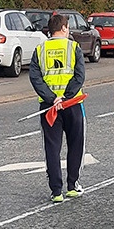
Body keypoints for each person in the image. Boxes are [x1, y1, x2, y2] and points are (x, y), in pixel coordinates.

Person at [28, 12, 86, 202]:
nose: (68, 30)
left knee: (52, 147)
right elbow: (79, 76)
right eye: (67, 27)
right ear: (63, 28)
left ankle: (56, 191)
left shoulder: (40, 50)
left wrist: (52, 98)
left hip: (49, 107)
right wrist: (65, 97)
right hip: (72, 103)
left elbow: (35, 78)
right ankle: (72, 185)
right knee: (76, 144)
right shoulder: (74, 47)